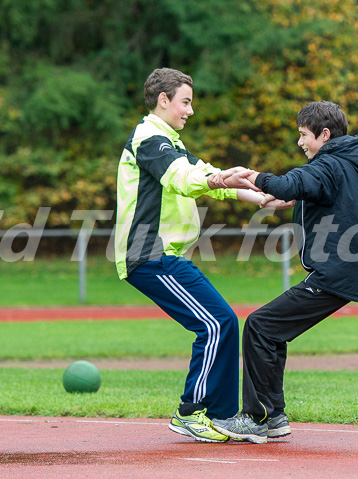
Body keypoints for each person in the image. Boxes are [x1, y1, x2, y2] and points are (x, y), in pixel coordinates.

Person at [114, 67, 276, 443]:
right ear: (163, 100)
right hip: (149, 254)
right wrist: (220, 179)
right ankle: (192, 412)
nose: (190, 110)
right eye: (185, 102)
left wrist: (260, 196)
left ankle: (220, 417)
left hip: (165, 256)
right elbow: (182, 179)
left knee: (222, 322)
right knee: (217, 323)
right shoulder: (150, 138)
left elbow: (204, 177)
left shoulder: (168, 140)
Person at [210, 101, 358, 443]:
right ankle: (273, 417)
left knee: (258, 325)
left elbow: (292, 183)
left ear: (324, 135)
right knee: (271, 331)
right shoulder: (348, 161)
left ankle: (258, 417)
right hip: (344, 271)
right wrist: (291, 199)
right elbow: (315, 192)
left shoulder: (329, 163)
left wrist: (251, 175)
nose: (300, 142)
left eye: (304, 135)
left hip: (336, 273)